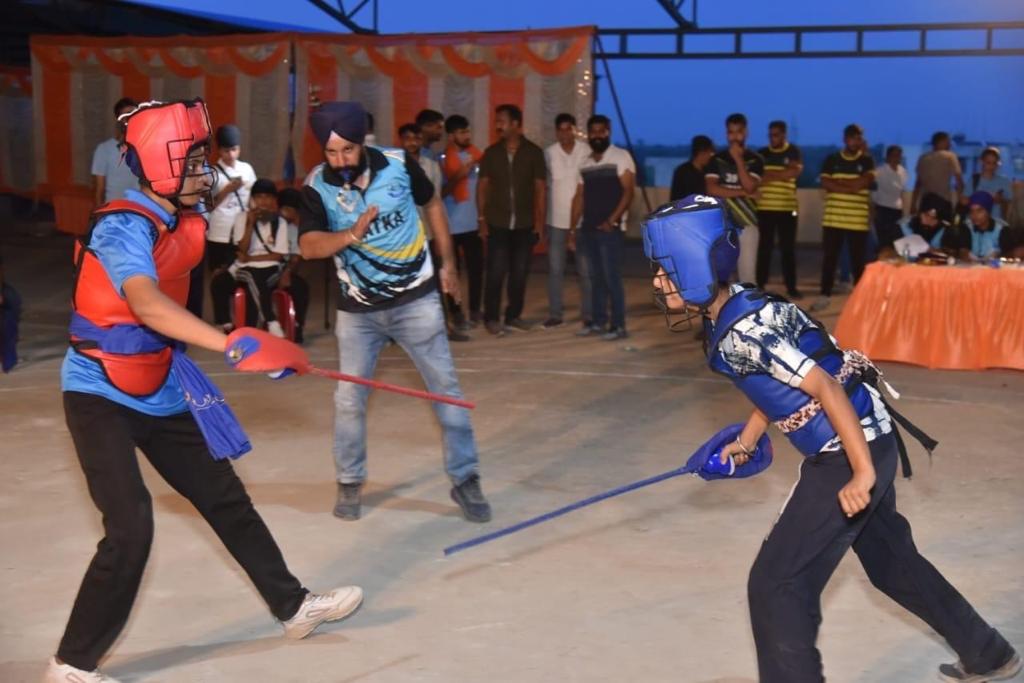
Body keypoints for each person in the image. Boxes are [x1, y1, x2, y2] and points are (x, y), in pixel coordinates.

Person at [46, 98, 363, 683]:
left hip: (160, 383)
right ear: (158, 165)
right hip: (99, 391)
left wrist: (254, 348)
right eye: (191, 159)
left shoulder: (185, 218)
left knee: (224, 498)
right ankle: (71, 665)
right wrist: (233, 343)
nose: (204, 169)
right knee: (131, 525)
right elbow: (143, 301)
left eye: (202, 158)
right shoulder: (124, 224)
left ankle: (293, 607)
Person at [644, 194, 1021, 683]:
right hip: (875, 436)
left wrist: (860, 472)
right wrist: (750, 436)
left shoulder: (744, 332)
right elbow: (781, 379)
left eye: (666, 269)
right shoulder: (740, 303)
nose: (657, 280)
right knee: (890, 562)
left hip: (847, 453)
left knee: (778, 583)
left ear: (698, 266)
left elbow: (823, 386)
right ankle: (988, 653)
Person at [297, 101, 491, 523]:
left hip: (415, 301)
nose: (340, 161)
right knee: (349, 399)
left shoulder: (400, 164)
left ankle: (465, 478)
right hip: (357, 312)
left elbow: (434, 205)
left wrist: (449, 264)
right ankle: (349, 481)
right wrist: (349, 234)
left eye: (347, 150)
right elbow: (308, 246)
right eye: (331, 153)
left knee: (446, 392)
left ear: (362, 142)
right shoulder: (316, 186)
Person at [477, 104, 547, 336]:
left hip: (525, 224)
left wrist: (539, 222)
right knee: (496, 273)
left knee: (519, 273)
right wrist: (482, 219)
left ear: (516, 124)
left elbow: (540, 189)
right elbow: (483, 187)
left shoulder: (534, 152)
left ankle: (513, 316)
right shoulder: (491, 152)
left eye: (502, 121)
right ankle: (492, 318)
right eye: (497, 121)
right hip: (497, 223)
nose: (498, 125)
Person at [399, 122, 468, 343]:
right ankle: (398, 332)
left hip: (427, 234)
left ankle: (445, 327)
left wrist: (440, 237)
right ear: (401, 141)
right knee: (402, 285)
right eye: (407, 138)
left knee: (437, 284)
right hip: (401, 238)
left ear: (421, 140)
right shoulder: (394, 167)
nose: (412, 142)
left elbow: (436, 203)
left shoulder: (431, 166)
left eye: (416, 138)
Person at [571, 114, 636, 341]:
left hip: (610, 230)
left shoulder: (621, 156)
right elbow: (579, 197)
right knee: (595, 278)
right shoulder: (585, 162)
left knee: (612, 278)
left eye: (602, 131)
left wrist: (613, 220)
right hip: (588, 229)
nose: (597, 135)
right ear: (588, 135)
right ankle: (598, 322)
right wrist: (572, 229)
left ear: (608, 132)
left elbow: (628, 192)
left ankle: (618, 326)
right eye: (593, 132)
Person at [811, 124, 875, 313]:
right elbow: (826, 182)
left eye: (860, 137)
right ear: (846, 138)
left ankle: (860, 299)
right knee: (829, 260)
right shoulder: (832, 159)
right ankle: (825, 295)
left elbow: (863, 183)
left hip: (857, 220)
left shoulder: (867, 160)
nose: (857, 141)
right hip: (833, 219)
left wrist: (838, 183)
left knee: (858, 262)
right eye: (854, 137)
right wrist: (852, 185)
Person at [218, 178, 291, 335]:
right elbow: (242, 250)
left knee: (255, 280)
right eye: (258, 197)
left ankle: (253, 329)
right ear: (252, 199)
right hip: (246, 269)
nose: (263, 202)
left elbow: (277, 256)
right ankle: (270, 322)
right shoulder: (242, 218)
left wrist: (250, 259)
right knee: (251, 277)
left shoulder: (280, 222)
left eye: (267, 197)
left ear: (274, 200)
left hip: (271, 269)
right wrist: (250, 224)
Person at [543, 112, 592, 330]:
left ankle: (588, 315)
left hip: (582, 223)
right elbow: (543, 188)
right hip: (555, 222)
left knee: (585, 271)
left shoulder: (586, 150)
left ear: (574, 129)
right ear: (556, 131)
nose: (564, 133)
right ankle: (555, 314)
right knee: (555, 270)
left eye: (568, 128)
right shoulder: (549, 153)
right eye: (560, 129)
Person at [705, 113, 764, 284]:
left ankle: (747, 310)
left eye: (738, 132)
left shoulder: (755, 160)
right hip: (721, 223)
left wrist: (738, 160)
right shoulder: (716, 160)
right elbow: (711, 189)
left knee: (747, 276)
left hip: (747, 222)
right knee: (720, 275)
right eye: (731, 132)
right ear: (726, 134)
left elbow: (750, 186)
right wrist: (743, 193)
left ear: (746, 132)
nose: (734, 137)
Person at [207, 124, 257, 324]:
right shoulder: (212, 173)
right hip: (219, 233)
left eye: (234, 149)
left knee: (242, 275)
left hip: (243, 233)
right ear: (219, 150)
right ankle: (224, 320)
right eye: (226, 150)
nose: (231, 154)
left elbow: (254, 197)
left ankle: (245, 318)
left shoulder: (247, 169)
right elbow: (207, 206)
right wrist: (227, 190)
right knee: (219, 277)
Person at [441, 114, 485, 329]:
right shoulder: (442, 159)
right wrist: (458, 175)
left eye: (467, 131)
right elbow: (439, 192)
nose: (466, 135)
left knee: (477, 269)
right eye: (461, 132)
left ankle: (476, 311)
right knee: (452, 272)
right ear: (451, 136)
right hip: (450, 225)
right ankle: (456, 313)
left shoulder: (476, 155)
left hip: (473, 223)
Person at [756, 121, 804, 298]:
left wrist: (770, 175)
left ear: (784, 135)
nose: (772, 138)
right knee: (764, 248)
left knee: (788, 249)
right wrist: (781, 174)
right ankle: (760, 284)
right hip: (765, 208)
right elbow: (758, 178)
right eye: (770, 134)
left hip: (788, 208)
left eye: (775, 134)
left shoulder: (793, 151)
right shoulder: (761, 154)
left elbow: (793, 173)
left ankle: (791, 287)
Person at [277, 188, 312, 344]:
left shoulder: (295, 229)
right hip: (265, 269)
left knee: (300, 287)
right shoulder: (274, 224)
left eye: (287, 209)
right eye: (282, 208)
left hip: (284, 269)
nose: (283, 213)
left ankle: (297, 326)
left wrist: (287, 273)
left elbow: (296, 258)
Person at [91, 97, 140, 208]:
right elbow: (99, 190)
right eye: (126, 115)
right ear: (119, 120)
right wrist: (100, 216)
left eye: (135, 114)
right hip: (114, 212)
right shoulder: (104, 149)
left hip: (141, 212)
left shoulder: (144, 148)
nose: (131, 118)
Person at [881, 192, 959, 259]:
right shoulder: (903, 226)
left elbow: (952, 253)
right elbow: (885, 249)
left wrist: (937, 252)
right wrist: (891, 254)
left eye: (933, 219)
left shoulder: (945, 231)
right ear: (920, 213)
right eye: (926, 215)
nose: (928, 220)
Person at [950, 191, 1016, 261]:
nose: (974, 215)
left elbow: (1009, 254)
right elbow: (963, 252)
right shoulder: (967, 227)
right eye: (972, 211)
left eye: (979, 211)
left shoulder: (1002, 229)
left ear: (988, 212)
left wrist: (998, 257)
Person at [912, 131, 963, 218]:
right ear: (941, 142)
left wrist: (913, 204)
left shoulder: (923, 158)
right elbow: (958, 180)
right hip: (943, 201)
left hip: (926, 201)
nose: (949, 144)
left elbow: (918, 183)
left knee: (925, 229)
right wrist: (960, 201)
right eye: (948, 141)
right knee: (944, 228)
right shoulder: (950, 156)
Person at [959, 147, 1013, 222]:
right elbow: (963, 200)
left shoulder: (1003, 181)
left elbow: (1009, 203)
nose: (991, 166)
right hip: (974, 221)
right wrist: (978, 199)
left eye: (994, 163)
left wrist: (1000, 199)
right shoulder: (974, 179)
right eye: (988, 163)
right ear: (982, 162)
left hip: (995, 221)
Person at [872, 145, 909, 254]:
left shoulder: (903, 172)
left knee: (897, 242)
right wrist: (873, 210)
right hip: (882, 209)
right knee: (884, 242)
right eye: (894, 155)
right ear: (888, 157)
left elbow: (902, 191)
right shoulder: (879, 171)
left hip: (897, 210)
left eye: (899, 156)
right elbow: (873, 192)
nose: (897, 158)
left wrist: (904, 211)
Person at [669, 134, 714, 201]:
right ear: (702, 153)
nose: (711, 156)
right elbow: (676, 198)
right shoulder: (683, 172)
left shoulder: (708, 172)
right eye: (710, 153)